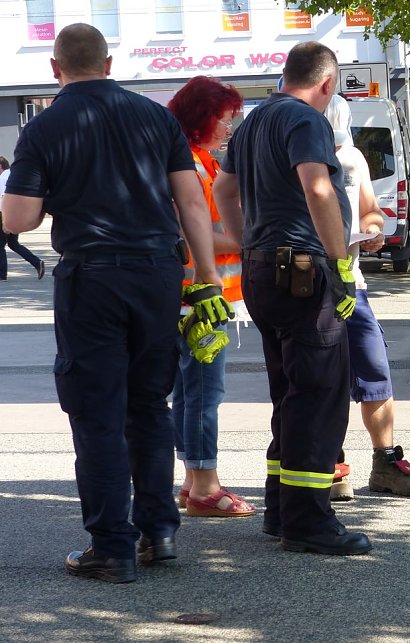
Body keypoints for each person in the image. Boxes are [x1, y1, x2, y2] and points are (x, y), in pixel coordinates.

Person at [2, 23, 220, 583]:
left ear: (55, 69)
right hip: (159, 276)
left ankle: (112, 548)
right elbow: (191, 200)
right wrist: (207, 277)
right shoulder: (156, 116)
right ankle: (159, 533)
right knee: (150, 405)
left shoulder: (45, 126)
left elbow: (20, 219)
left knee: (97, 414)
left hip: (93, 279)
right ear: (109, 62)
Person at [212, 41, 371, 556]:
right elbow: (319, 190)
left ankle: (281, 508)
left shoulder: (255, 122)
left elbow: (223, 192)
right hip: (302, 271)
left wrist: (246, 242)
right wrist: (340, 263)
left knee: (289, 389)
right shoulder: (305, 121)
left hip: (263, 271)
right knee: (319, 394)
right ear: (327, 84)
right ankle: (306, 522)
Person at [323, 95, 410, 499]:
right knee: (324, 380)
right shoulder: (295, 156)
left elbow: (370, 208)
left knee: (375, 372)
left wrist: (373, 228)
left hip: (354, 284)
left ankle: (385, 464)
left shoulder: (352, 158)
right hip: (313, 285)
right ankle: (330, 463)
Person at [166, 77, 254, 519]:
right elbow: (188, 230)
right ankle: (204, 484)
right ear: (203, 117)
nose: (230, 127)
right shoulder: (190, 163)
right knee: (203, 391)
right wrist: (245, 241)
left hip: (194, 296)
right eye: (225, 118)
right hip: (201, 298)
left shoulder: (197, 159)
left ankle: (191, 478)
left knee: (188, 391)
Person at [0, 156, 45, 281]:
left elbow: (4, 198)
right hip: (13, 212)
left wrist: (4, 220)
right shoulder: (11, 174)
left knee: (0, 245)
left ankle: (2, 275)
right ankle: (36, 262)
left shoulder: (4, 177)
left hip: (4, 214)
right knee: (13, 243)